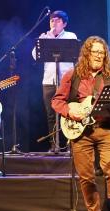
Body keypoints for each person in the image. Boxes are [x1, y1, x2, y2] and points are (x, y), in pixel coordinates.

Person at [51, 36, 110, 211]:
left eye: (102, 52)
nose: (99, 55)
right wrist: (69, 111)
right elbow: (57, 100)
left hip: (106, 129)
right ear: (87, 53)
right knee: (86, 177)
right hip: (80, 132)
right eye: (95, 52)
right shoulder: (73, 74)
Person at [31, 10, 77, 153]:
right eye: (51, 20)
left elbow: (75, 54)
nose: (54, 23)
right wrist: (46, 37)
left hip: (67, 81)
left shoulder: (70, 36)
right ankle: (54, 145)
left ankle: (70, 144)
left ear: (64, 23)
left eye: (57, 21)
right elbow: (35, 55)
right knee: (51, 114)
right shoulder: (44, 37)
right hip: (48, 81)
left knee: (68, 112)